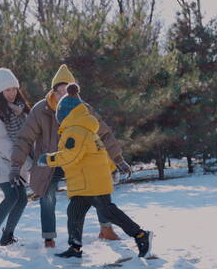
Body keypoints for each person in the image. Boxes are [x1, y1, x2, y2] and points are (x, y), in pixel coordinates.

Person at [10, 64, 133, 248]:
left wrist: (118, 159)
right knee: (48, 195)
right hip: (51, 162)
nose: (62, 95)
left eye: (67, 90)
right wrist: (15, 165)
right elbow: (24, 138)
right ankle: (49, 237)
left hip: (79, 162)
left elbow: (104, 134)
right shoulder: (40, 110)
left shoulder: (83, 108)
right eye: (59, 91)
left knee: (99, 190)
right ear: (52, 92)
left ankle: (106, 229)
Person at [38, 83, 152, 258]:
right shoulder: (83, 128)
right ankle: (75, 247)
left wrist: (48, 159)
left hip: (91, 183)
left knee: (109, 212)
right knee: (74, 212)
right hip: (87, 182)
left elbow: (70, 156)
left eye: (59, 114)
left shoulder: (75, 131)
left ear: (65, 114)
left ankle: (141, 235)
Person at [0, 68, 33, 248]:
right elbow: (6, 147)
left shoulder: (17, 111)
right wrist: (28, 164)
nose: (12, 93)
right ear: (0, 91)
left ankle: (7, 235)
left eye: (14, 89)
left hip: (10, 161)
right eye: (7, 90)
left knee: (22, 199)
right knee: (11, 196)